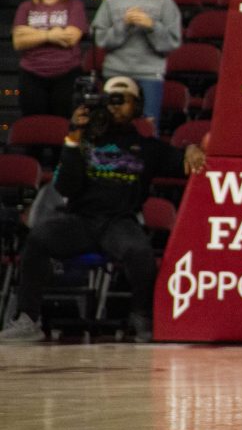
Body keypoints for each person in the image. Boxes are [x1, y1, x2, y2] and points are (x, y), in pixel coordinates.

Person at [0, 76, 206, 343]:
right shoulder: (83, 142)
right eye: (111, 99)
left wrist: (191, 148)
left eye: (123, 100)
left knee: (140, 251)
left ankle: (142, 316)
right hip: (81, 220)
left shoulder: (148, 148)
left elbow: (185, 163)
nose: (116, 106)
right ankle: (29, 319)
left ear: (137, 105)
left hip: (119, 222)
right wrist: (73, 139)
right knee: (38, 239)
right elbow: (65, 188)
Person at [91, 0, 182, 133]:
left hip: (150, 74)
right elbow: (100, 39)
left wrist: (152, 26)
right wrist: (123, 24)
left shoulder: (164, 0)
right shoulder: (112, 1)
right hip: (116, 72)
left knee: (147, 128)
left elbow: (172, 42)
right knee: (112, 126)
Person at [12, 0, 88, 119]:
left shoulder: (74, 5)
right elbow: (18, 41)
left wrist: (32, 33)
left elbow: (71, 38)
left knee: (62, 128)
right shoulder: (25, 7)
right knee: (34, 127)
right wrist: (50, 34)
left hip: (67, 74)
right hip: (31, 74)